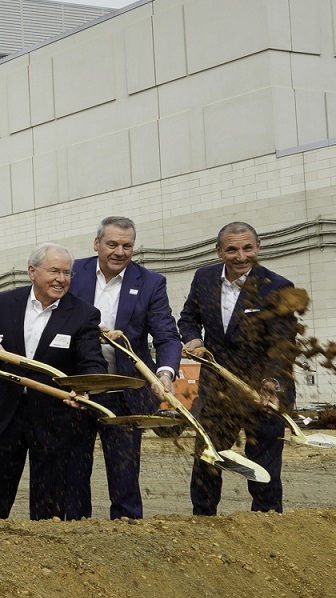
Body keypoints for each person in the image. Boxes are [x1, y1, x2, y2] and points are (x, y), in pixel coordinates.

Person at [0, 244, 107, 521]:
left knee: (49, 503)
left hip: (54, 419)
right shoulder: (4, 302)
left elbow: (92, 361)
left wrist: (85, 387)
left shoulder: (84, 314)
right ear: (32, 272)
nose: (61, 279)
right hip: (7, 414)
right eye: (54, 271)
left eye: (67, 273)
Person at [178, 221, 299, 515]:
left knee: (263, 464)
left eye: (247, 248)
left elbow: (283, 343)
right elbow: (188, 318)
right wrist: (194, 339)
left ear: (258, 248)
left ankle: (267, 521)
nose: (241, 256)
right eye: (232, 249)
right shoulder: (204, 279)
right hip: (217, 389)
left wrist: (271, 382)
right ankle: (203, 520)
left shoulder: (278, 287)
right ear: (219, 251)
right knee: (208, 458)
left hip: (264, 391)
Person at [68, 216, 181, 520]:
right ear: (97, 244)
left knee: (124, 474)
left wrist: (165, 373)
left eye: (127, 245)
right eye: (112, 244)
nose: (119, 251)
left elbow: (167, 335)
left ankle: (129, 536)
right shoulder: (72, 273)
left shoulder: (151, 282)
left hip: (124, 391)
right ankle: (74, 532)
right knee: (73, 472)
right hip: (78, 389)